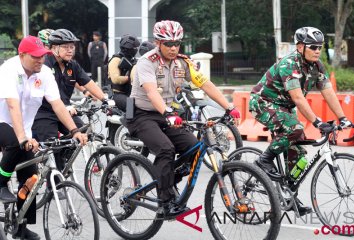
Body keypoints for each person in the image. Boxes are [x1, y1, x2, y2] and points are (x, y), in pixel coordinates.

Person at [127, 20, 240, 218]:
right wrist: (168, 114)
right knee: (165, 149)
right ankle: (166, 201)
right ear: (157, 43)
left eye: (176, 43)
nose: (173, 48)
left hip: (167, 114)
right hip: (142, 114)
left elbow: (206, 85)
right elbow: (152, 92)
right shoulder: (147, 61)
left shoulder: (182, 62)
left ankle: (166, 182)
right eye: (168, 44)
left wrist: (229, 107)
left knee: (194, 149)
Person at [249, 27, 352, 216]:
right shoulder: (290, 63)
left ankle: (287, 196)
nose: (317, 50)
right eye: (313, 47)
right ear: (300, 46)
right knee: (294, 129)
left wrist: (344, 118)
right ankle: (264, 160)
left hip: (284, 108)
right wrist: (317, 122)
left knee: (299, 156)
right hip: (263, 102)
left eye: (320, 47)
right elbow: (298, 98)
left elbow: (328, 91)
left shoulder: (317, 65)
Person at [0, 35, 87, 239]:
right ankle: (1, 183)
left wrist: (74, 131)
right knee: (15, 143)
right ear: (22, 55)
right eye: (35, 57)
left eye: (43, 56)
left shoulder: (45, 73)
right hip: (3, 123)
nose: (40, 60)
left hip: (25, 129)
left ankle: (21, 228)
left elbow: (57, 105)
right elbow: (12, 106)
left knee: (30, 179)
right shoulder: (8, 70)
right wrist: (22, 139)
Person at [32, 29, 106, 172]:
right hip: (44, 113)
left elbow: (88, 81)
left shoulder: (72, 65)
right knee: (53, 146)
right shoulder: (44, 65)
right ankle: (53, 183)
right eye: (65, 47)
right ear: (54, 48)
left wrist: (105, 99)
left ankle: (63, 159)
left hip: (63, 111)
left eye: (72, 47)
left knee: (82, 132)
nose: (70, 50)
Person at [107, 34, 140, 111]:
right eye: (134, 48)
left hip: (130, 92)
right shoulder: (116, 60)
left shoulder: (133, 60)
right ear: (128, 48)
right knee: (130, 104)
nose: (136, 50)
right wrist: (130, 79)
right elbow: (116, 79)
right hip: (117, 94)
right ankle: (129, 122)